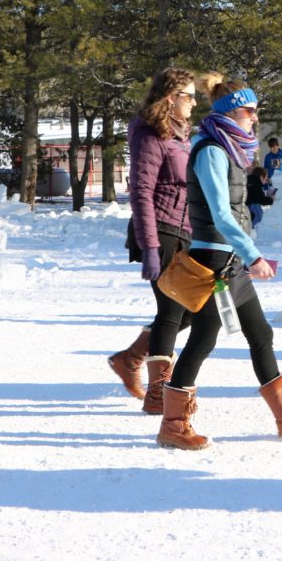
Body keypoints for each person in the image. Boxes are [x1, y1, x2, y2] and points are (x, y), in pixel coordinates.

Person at [157, 73, 282, 450]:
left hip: (227, 257)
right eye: (251, 110)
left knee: (259, 333)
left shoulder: (227, 147)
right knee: (203, 338)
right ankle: (172, 424)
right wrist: (253, 256)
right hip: (212, 258)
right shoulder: (211, 150)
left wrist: (246, 254)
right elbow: (221, 214)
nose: (256, 117)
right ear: (233, 112)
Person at [109, 68, 197, 414]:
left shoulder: (180, 134)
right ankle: (159, 395)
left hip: (183, 231)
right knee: (172, 311)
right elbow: (141, 193)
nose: (193, 102)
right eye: (188, 95)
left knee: (190, 308)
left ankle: (131, 358)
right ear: (171, 98)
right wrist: (149, 248)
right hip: (160, 231)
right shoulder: (151, 135)